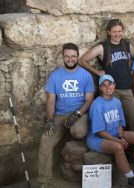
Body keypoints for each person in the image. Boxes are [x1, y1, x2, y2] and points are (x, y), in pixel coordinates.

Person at [38, 43, 95, 188]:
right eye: (67, 56)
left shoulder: (85, 75)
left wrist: (77, 114)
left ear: (77, 56)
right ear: (63, 57)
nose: (70, 59)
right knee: (45, 140)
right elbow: (51, 101)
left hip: (79, 113)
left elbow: (89, 100)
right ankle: (44, 180)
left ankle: (73, 139)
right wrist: (50, 120)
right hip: (59, 115)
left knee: (78, 131)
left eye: (73, 56)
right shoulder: (55, 76)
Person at [87, 74, 134, 188]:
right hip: (98, 139)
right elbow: (99, 132)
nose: (108, 87)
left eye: (110, 84)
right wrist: (118, 141)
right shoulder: (97, 104)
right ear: (100, 88)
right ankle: (131, 178)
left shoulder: (116, 102)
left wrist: (121, 136)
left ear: (114, 85)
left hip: (114, 134)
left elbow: (120, 123)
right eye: (104, 85)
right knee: (118, 147)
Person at [79, 18, 134, 132]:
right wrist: (97, 72)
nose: (117, 34)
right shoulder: (103, 47)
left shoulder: (127, 45)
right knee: (113, 123)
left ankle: (130, 147)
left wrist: (133, 70)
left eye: (119, 31)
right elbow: (82, 60)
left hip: (127, 89)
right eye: (114, 31)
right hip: (111, 91)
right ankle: (116, 146)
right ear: (109, 32)